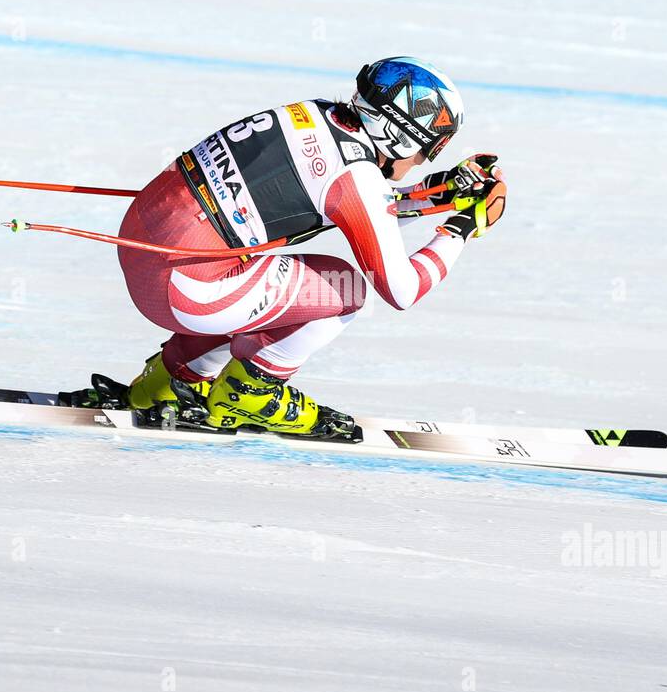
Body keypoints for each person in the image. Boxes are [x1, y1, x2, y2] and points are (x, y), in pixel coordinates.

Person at [88, 56, 506, 438]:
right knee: (345, 289)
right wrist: (461, 229)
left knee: (270, 279)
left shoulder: (316, 112)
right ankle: (250, 392)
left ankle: (169, 380)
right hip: (183, 293)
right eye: (427, 149)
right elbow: (400, 289)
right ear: (397, 136)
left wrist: (445, 191)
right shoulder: (355, 178)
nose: (421, 162)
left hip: (145, 251)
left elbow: (355, 202)